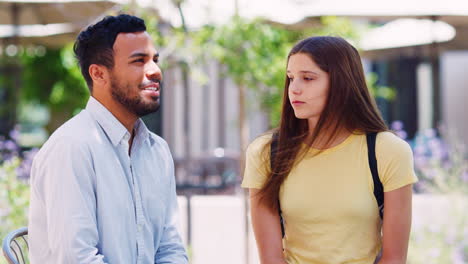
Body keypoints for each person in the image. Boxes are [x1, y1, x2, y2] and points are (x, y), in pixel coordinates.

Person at [242, 36, 417, 264]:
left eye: (308, 78)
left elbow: (394, 258)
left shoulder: (388, 151)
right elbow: (271, 259)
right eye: (291, 78)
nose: (294, 89)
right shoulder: (265, 152)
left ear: (341, 82)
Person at [28, 14, 188, 263]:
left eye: (155, 60)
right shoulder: (72, 148)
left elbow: (170, 249)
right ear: (98, 74)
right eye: (139, 61)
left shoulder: (157, 150)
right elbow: (77, 259)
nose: (155, 71)